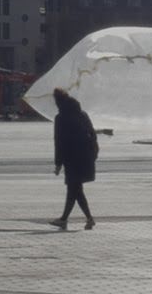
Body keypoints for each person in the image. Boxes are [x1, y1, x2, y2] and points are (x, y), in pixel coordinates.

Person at [50, 88, 98, 230]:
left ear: (58, 101)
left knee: (74, 189)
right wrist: (94, 153)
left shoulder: (60, 118)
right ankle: (76, 219)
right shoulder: (82, 114)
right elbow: (92, 134)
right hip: (85, 157)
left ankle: (72, 219)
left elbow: (59, 142)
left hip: (71, 158)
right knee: (75, 189)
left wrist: (58, 163)